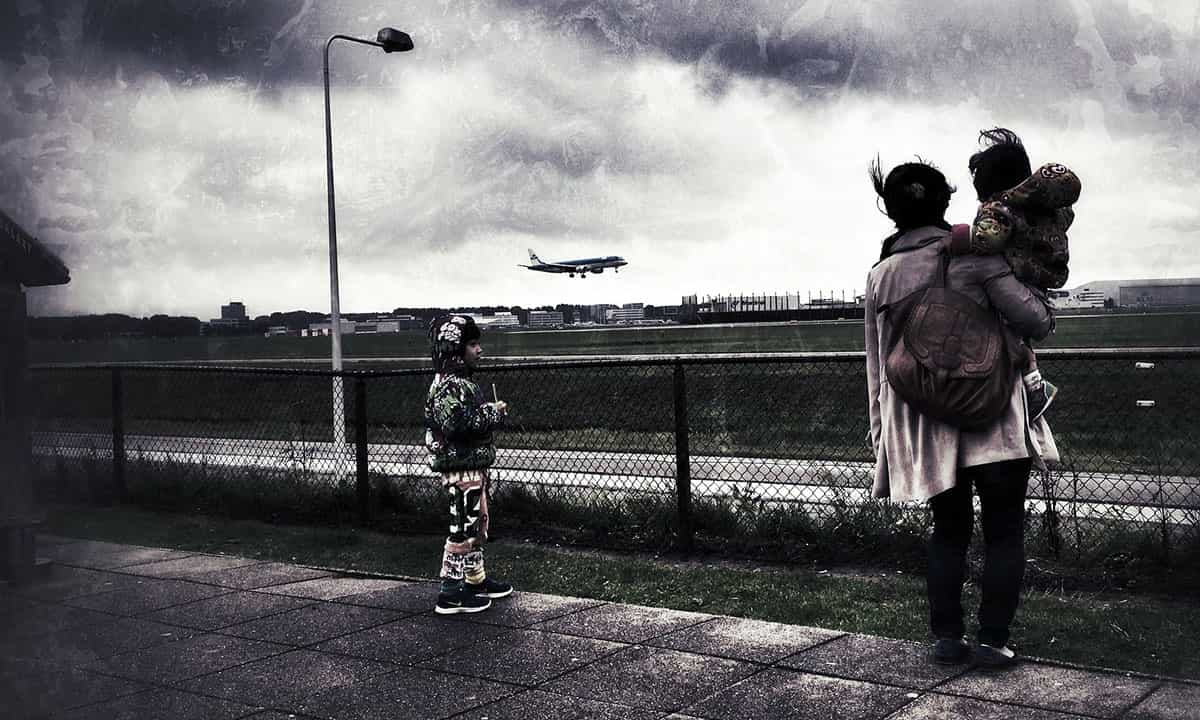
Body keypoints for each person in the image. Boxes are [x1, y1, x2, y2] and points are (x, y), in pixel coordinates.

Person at [863, 158, 1059, 667]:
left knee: (948, 531)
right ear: (945, 203)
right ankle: (994, 640)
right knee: (1004, 530)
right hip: (992, 416)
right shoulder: (973, 251)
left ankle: (947, 637)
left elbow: (877, 365)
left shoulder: (881, 274)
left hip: (927, 427)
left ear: (890, 208)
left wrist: (882, 435)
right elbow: (1033, 321)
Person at [948, 128, 1081, 421]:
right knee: (1013, 336)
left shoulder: (1001, 212)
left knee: (1004, 332)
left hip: (1024, 291)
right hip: (1038, 288)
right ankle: (1033, 387)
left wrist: (956, 237)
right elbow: (1065, 217)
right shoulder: (1044, 211)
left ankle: (1035, 389)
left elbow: (985, 240)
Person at [425, 314, 513, 614]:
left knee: (476, 525)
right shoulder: (451, 386)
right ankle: (449, 592)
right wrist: (492, 413)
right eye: (473, 344)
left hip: (471, 466)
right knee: (461, 528)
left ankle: (475, 580)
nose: (479, 350)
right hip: (459, 468)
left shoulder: (460, 384)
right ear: (455, 350)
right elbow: (456, 424)